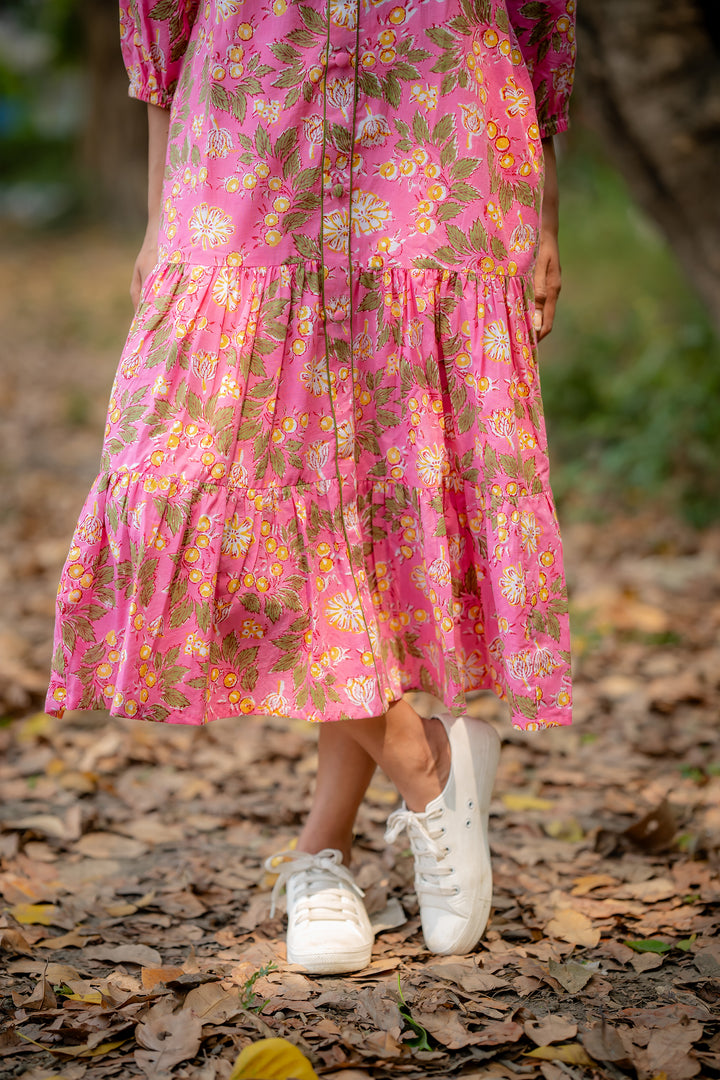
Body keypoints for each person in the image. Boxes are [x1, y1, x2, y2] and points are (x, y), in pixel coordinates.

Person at [46, 0, 575, 974]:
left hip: (438, 151)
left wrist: (546, 207)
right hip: (250, 153)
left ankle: (321, 855)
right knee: (177, 479)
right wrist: (166, 212)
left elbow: (541, 16)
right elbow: (159, 27)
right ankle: (428, 766)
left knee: (372, 504)